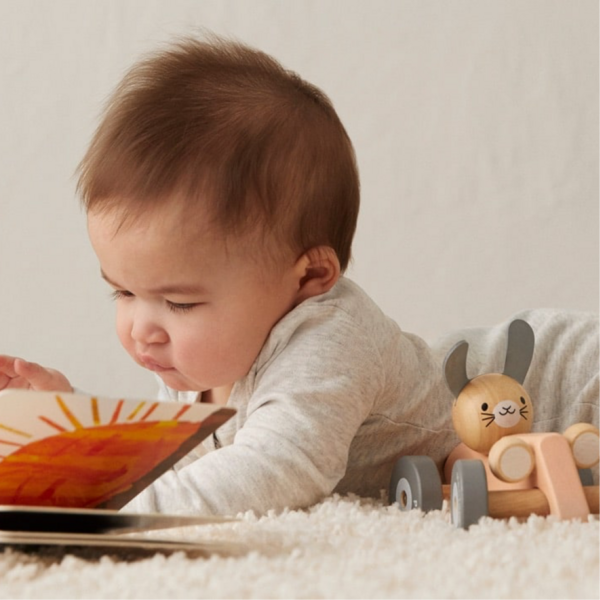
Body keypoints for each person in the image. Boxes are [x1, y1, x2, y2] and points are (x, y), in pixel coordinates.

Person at [0, 36, 459, 515]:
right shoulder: (190, 353)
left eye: (179, 303)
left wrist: (109, 503)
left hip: (517, 394)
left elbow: (274, 470)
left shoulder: (331, 339)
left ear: (309, 277)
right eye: (123, 291)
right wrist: (71, 417)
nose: (141, 328)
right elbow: (182, 458)